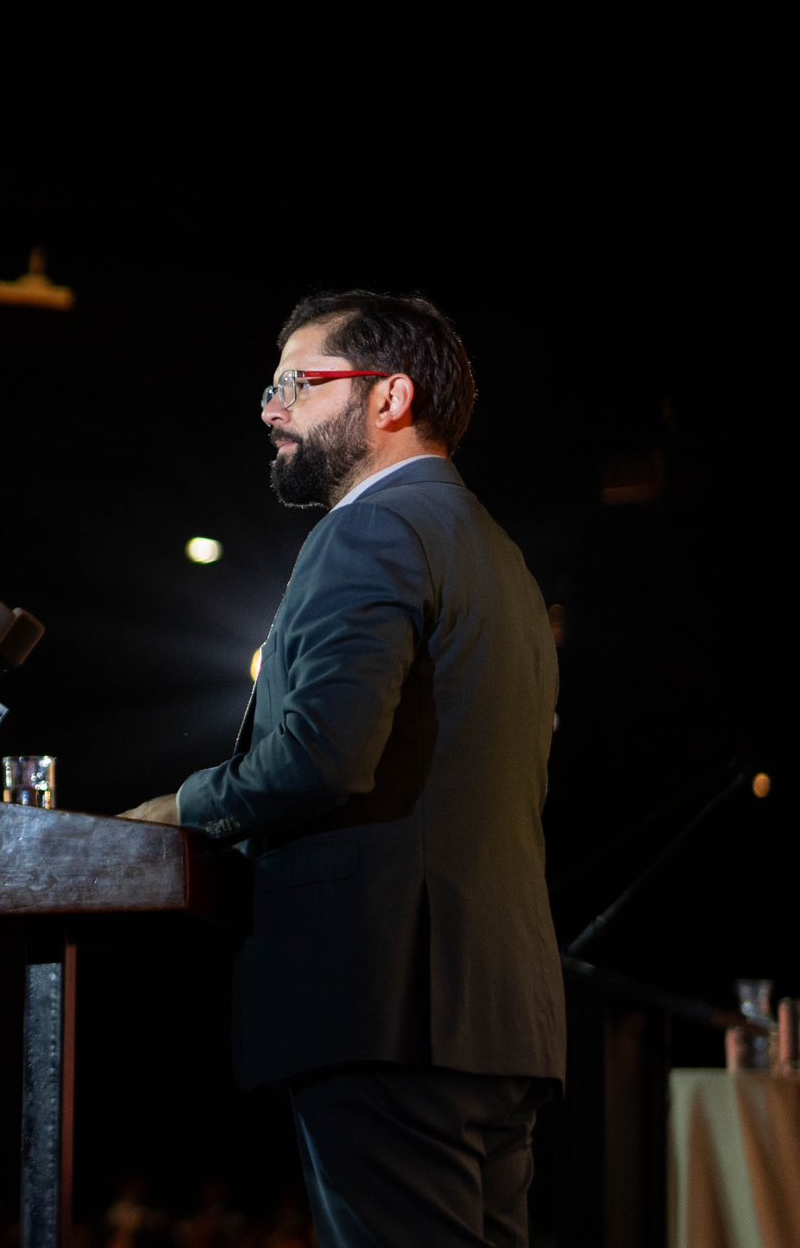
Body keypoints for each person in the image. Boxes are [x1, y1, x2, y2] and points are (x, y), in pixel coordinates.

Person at [120, 290, 565, 1246]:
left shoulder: (369, 529)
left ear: (389, 397)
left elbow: (322, 755)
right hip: (498, 1011)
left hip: (386, 1004)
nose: (271, 408)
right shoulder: (502, 558)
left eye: (299, 383)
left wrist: (177, 808)